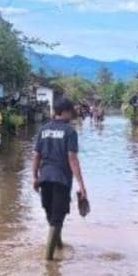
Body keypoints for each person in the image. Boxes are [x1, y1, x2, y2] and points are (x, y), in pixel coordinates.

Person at [32, 98, 88, 261]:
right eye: (70, 111)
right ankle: (48, 260)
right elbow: (72, 159)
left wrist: (34, 177)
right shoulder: (70, 131)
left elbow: (36, 156)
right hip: (61, 179)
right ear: (64, 112)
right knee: (58, 216)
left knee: (51, 214)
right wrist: (82, 185)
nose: (71, 115)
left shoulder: (43, 130)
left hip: (45, 178)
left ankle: (59, 245)